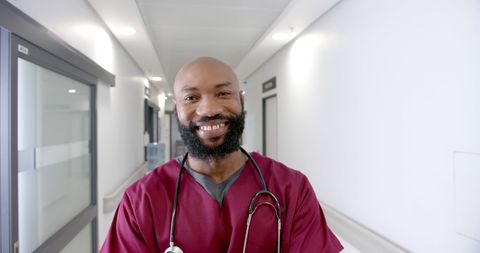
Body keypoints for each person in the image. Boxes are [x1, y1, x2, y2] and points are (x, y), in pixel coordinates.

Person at [100, 57, 343, 253]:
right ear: (177, 109)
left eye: (223, 93)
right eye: (191, 98)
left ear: (241, 99)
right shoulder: (142, 200)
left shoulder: (291, 188)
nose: (209, 110)